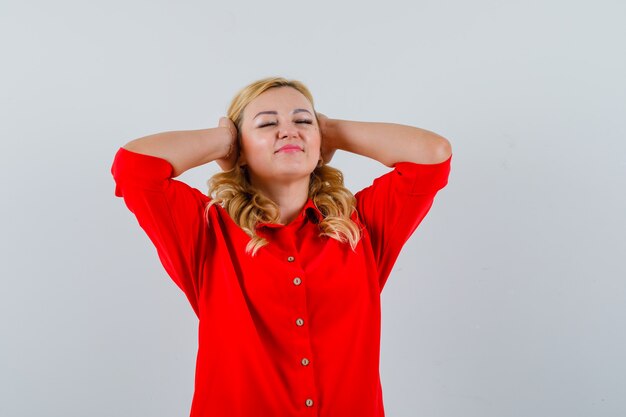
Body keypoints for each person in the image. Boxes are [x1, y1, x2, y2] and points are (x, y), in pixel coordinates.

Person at [110, 76, 452, 417]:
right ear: (239, 150)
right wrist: (225, 139)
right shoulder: (205, 231)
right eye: (268, 123)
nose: (289, 131)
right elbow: (135, 169)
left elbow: (432, 156)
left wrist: (332, 130)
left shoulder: (360, 228)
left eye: (303, 121)